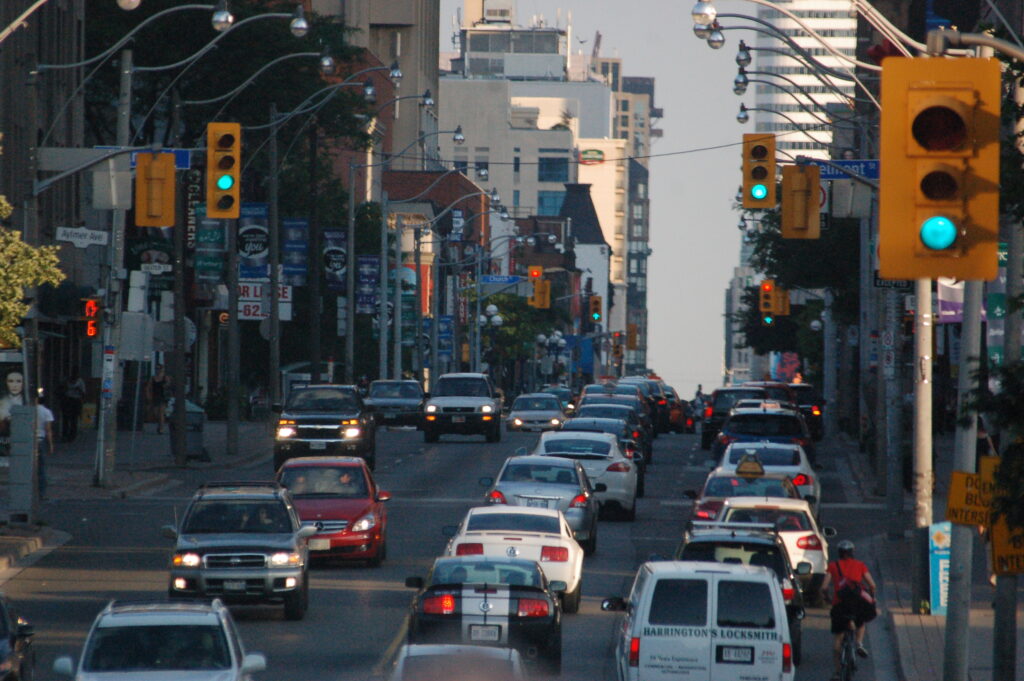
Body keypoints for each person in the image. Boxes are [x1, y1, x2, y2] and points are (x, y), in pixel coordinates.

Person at [820, 539, 877, 680]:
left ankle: (838, 672)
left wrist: (827, 598)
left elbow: (824, 587)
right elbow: (872, 585)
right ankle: (859, 643)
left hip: (839, 605)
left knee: (838, 639)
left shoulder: (833, 566)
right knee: (861, 622)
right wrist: (871, 596)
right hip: (857, 604)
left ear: (839, 553)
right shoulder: (860, 565)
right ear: (852, 552)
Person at [33, 393, 55, 500]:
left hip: (31, 441)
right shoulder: (47, 412)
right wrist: (51, 444)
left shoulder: (30, 410)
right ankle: (41, 493)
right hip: (41, 441)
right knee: (41, 468)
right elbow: (48, 430)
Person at [60, 371, 86, 442]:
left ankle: (72, 436)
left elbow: (83, 393)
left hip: (76, 400)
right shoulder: (66, 380)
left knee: (74, 419)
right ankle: (65, 435)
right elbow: (62, 389)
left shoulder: (80, 382)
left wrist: (78, 390)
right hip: (68, 400)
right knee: (66, 419)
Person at [146, 365, 170, 434]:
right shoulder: (153, 378)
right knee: (156, 413)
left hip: (163, 397)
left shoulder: (165, 378)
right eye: (157, 369)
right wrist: (148, 396)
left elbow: (169, 386)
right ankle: (159, 425)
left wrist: (166, 385)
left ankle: (161, 428)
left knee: (161, 413)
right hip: (155, 397)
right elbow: (148, 387)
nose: (158, 370)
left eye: (159, 369)